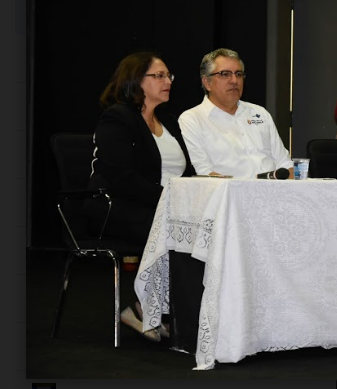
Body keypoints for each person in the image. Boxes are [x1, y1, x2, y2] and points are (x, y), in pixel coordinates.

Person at [87, 51, 196, 342]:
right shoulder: (118, 118)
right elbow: (120, 177)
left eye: (168, 76)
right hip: (117, 207)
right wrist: (167, 201)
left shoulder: (169, 122)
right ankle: (151, 307)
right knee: (177, 229)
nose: (167, 81)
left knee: (206, 225)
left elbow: (187, 171)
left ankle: (164, 310)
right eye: (158, 75)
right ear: (136, 80)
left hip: (161, 206)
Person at [178, 48, 294, 178]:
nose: (234, 80)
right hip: (229, 195)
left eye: (238, 74)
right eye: (225, 74)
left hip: (273, 193)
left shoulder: (259, 113)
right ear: (207, 83)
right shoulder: (192, 119)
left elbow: (285, 164)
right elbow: (204, 173)